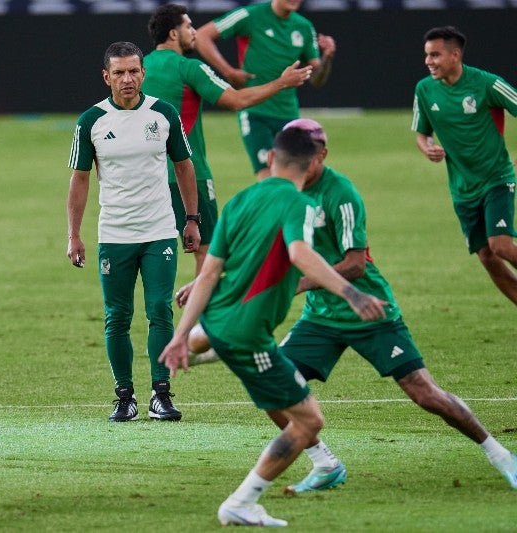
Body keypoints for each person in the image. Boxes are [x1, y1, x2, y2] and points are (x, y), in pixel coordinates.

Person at [181, 118, 517, 494]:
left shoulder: (341, 194)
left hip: (368, 311)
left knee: (424, 392)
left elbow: (356, 264)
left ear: (320, 156)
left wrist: (292, 282)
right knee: (275, 391)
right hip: (320, 318)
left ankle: (501, 456)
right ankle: (324, 463)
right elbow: (252, 248)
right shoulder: (278, 193)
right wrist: (204, 280)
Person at [159, 127, 387, 526]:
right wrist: (352, 294)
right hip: (249, 336)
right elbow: (300, 253)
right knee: (309, 421)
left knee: (229, 355)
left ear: (270, 159)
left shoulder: (242, 199)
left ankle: (197, 346)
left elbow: (209, 273)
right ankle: (242, 501)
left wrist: (180, 335)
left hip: (219, 321)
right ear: (313, 163)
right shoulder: (297, 204)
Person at [67, 41, 200, 423]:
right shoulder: (91, 121)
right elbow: (79, 179)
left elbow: (184, 167)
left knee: (160, 309)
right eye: (119, 73)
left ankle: (162, 394)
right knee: (117, 316)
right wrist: (73, 234)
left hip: (159, 229)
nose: (127, 79)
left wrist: (191, 219)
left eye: (133, 71)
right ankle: (124, 396)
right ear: (106, 77)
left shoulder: (163, 114)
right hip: (115, 233)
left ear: (144, 73)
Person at [142, 3, 312, 275]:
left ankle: (157, 316)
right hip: (189, 175)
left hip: (144, 176)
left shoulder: (137, 69)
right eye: (188, 26)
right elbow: (236, 100)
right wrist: (281, 83)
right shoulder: (190, 68)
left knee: (152, 252)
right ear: (174, 34)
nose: (194, 32)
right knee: (206, 252)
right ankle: (200, 318)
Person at [413, 26, 517, 307]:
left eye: (435, 55)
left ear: (455, 55)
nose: (428, 62)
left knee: (501, 245)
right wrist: (427, 149)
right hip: (462, 188)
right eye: (427, 55)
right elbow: (421, 134)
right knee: (487, 257)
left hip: (496, 178)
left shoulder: (486, 84)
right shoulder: (424, 90)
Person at [193, 0, 335, 179]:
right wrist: (228, 71)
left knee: (294, 178)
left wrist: (327, 58)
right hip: (255, 111)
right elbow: (201, 36)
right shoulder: (250, 15)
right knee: (268, 176)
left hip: (288, 114)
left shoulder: (304, 27)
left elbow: (316, 79)